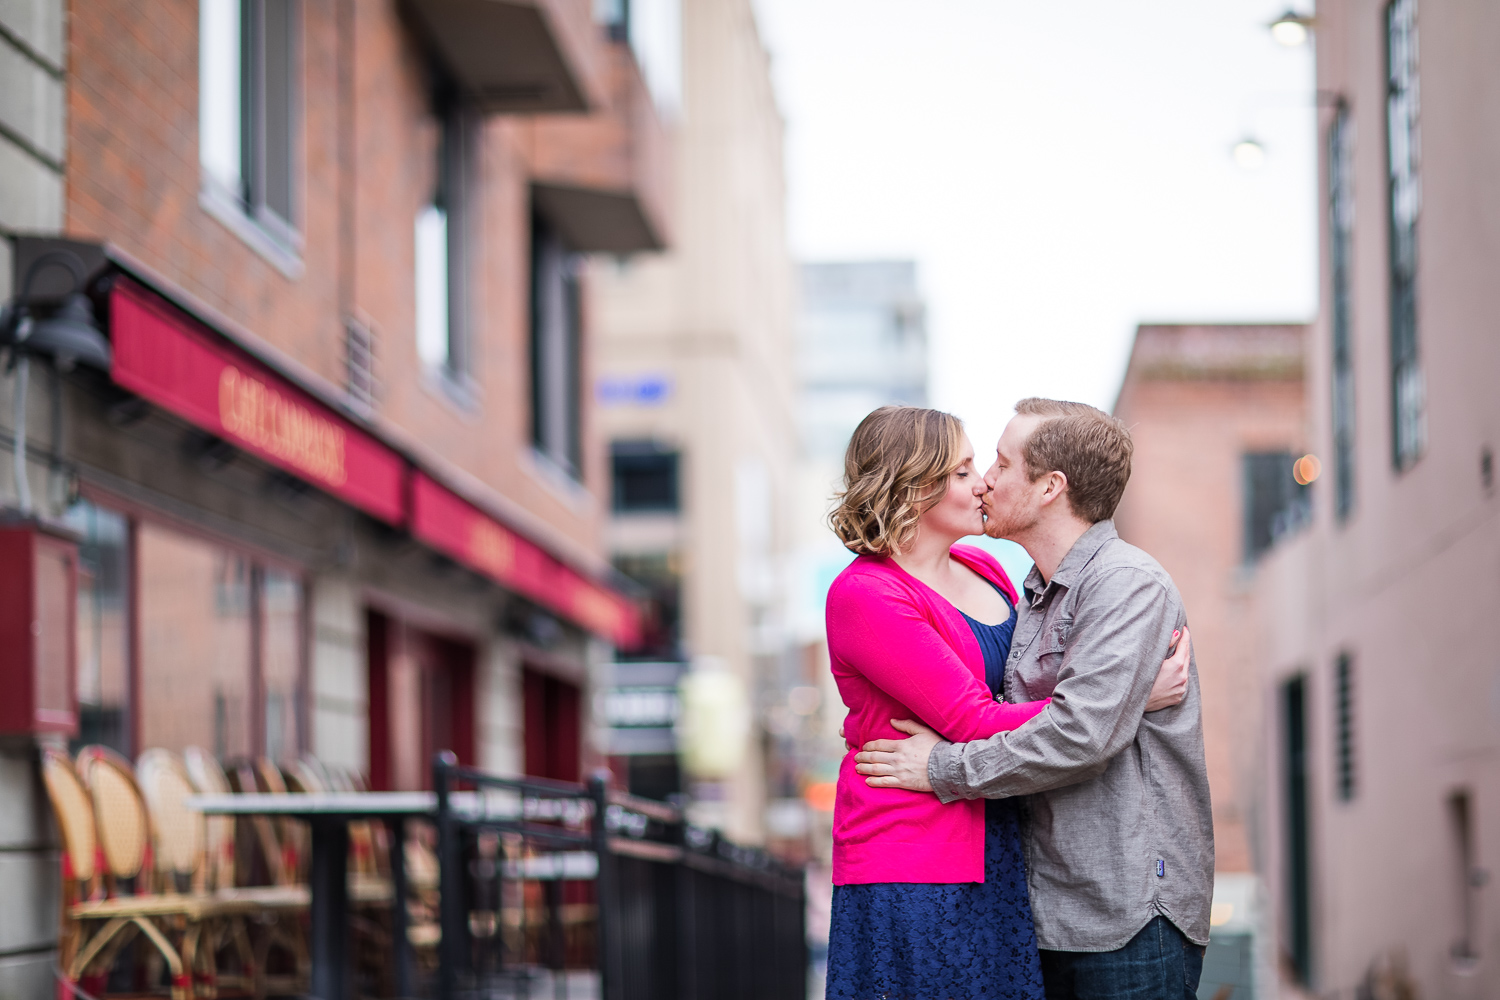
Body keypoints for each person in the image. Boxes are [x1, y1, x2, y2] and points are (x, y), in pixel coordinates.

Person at [823, 405, 1192, 1000]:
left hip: (1000, 838)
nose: (983, 483)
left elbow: (1038, 695)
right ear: (914, 487)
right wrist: (1127, 700)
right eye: (965, 470)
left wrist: (1105, 703)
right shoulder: (865, 595)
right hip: (916, 852)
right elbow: (974, 719)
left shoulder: (987, 567)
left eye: (987, 466)